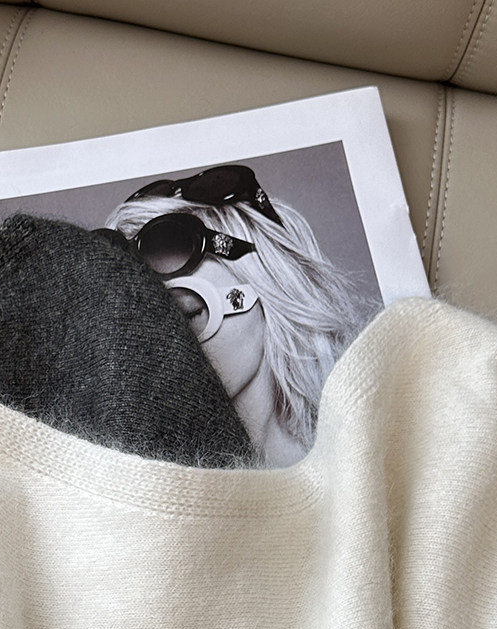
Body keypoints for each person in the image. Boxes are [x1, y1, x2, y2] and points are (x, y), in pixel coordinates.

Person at [107, 163, 371, 466]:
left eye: (188, 315)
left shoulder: (365, 455)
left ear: (268, 293)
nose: (163, 347)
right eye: (136, 326)